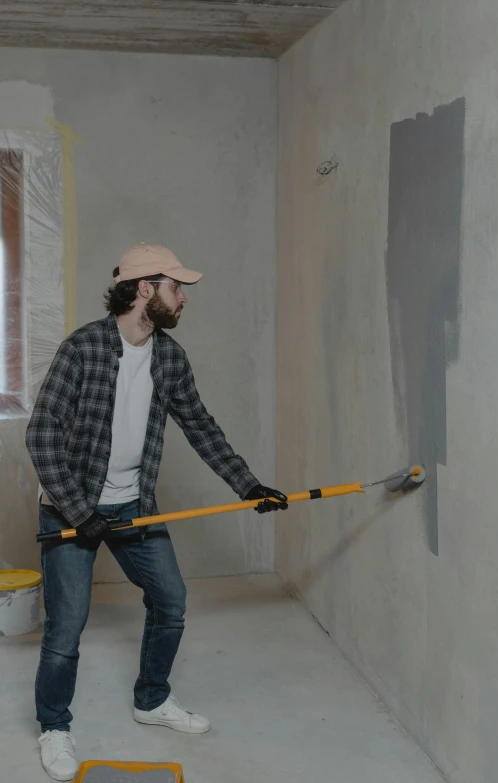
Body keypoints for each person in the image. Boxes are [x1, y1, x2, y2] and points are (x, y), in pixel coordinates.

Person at [26, 243, 288, 782]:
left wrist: (249, 485)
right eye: (176, 287)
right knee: (66, 626)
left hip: (133, 505)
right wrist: (81, 509)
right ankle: (54, 726)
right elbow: (42, 435)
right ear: (144, 290)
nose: (183, 297)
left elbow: (201, 427)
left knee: (170, 599)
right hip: (71, 508)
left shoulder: (170, 358)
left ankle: (152, 699)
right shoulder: (83, 348)